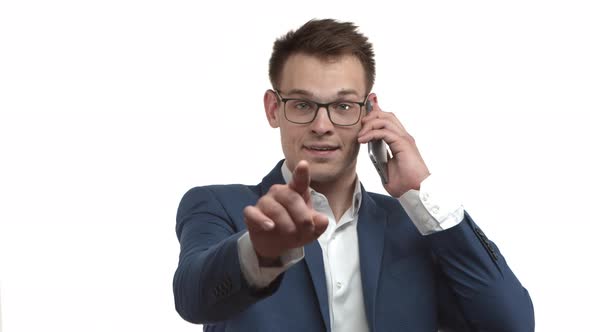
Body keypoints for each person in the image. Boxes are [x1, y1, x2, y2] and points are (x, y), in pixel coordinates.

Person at [173, 19, 534, 331]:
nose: (321, 126)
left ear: (370, 111)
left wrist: (421, 190)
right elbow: (193, 297)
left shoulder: (417, 228)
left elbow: (510, 324)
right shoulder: (218, 205)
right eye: (302, 105)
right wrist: (260, 253)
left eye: (343, 106)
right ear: (273, 109)